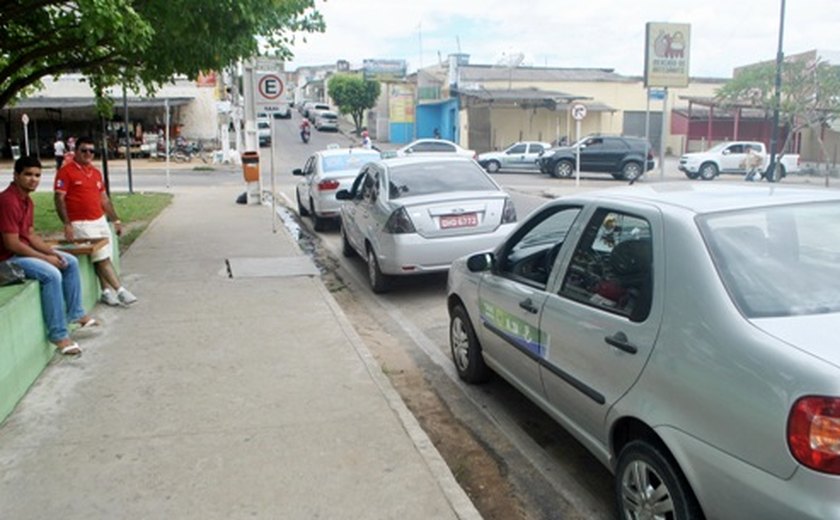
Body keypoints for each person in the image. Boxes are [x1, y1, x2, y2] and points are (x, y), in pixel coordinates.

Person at [0, 156, 99, 355]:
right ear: (16, 175)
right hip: (7, 260)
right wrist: (45, 259)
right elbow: (11, 243)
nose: (33, 179)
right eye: (27, 174)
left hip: (20, 252)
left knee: (68, 260)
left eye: (37, 175)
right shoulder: (7, 201)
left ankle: (76, 314)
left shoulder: (27, 200)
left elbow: (29, 234)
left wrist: (52, 253)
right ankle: (58, 335)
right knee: (51, 274)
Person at [54, 137, 137, 306]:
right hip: (81, 223)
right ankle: (120, 290)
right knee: (101, 258)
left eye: (91, 151)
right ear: (76, 151)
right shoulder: (66, 172)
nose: (88, 154)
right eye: (84, 150)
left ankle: (106, 291)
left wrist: (115, 219)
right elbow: (59, 199)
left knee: (104, 256)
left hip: (99, 220)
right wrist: (67, 223)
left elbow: (104, 199)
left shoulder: (96, 172)